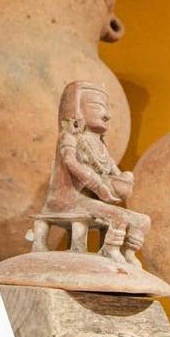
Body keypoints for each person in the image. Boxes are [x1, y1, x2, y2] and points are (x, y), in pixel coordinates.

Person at [42, 80, 149, 265]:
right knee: (119, 216)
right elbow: (69, 161)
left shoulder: (100, 145)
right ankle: (110, 249)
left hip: (89, 200)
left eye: (107, 109)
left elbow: (114, 170)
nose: (107, 115)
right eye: (97, 107)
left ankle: (129, 253)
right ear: (76, 108)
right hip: (66, 198)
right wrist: (98, 185)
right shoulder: (70, 137)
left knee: (143, 220)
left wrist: (126, 178)